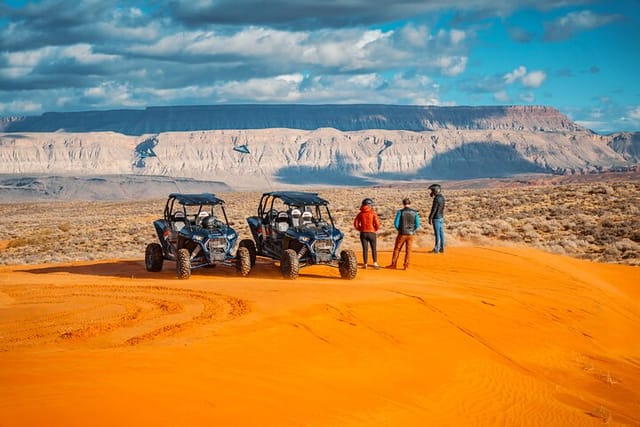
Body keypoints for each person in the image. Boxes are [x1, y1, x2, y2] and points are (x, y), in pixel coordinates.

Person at [387, 197, 420, 270]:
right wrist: (412, 230)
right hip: (411, 234)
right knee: (408, 250)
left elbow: (396, 223)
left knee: (397, 249)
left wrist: (400, 230)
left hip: (402, 233)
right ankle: (406, 266)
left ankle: (393, 264)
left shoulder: (400, 212)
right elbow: (417, 224)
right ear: (409, 203)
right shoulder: (415, 212)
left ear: (403, 204)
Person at [353, 198, 381, 269]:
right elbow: (377, 224)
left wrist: (361, 229)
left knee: (365, 249)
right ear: (369, 205)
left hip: (363, 233)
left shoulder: (360, 213)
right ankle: (375, 263)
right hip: (372, 233)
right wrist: (375, 229)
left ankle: (365, 264)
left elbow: (356, 224)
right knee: (373, 248)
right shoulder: (373, 213)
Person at [428, 183, 445, 253]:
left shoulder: (436, 198)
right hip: (441, 217)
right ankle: (442, 248)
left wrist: (430, 218)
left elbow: (434, 209)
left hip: (436, 218)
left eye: (432, 190)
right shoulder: (442, 197)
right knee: (441, 233)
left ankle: (436, 249)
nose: (431, 192)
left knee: (437, 234)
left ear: (435, 191)